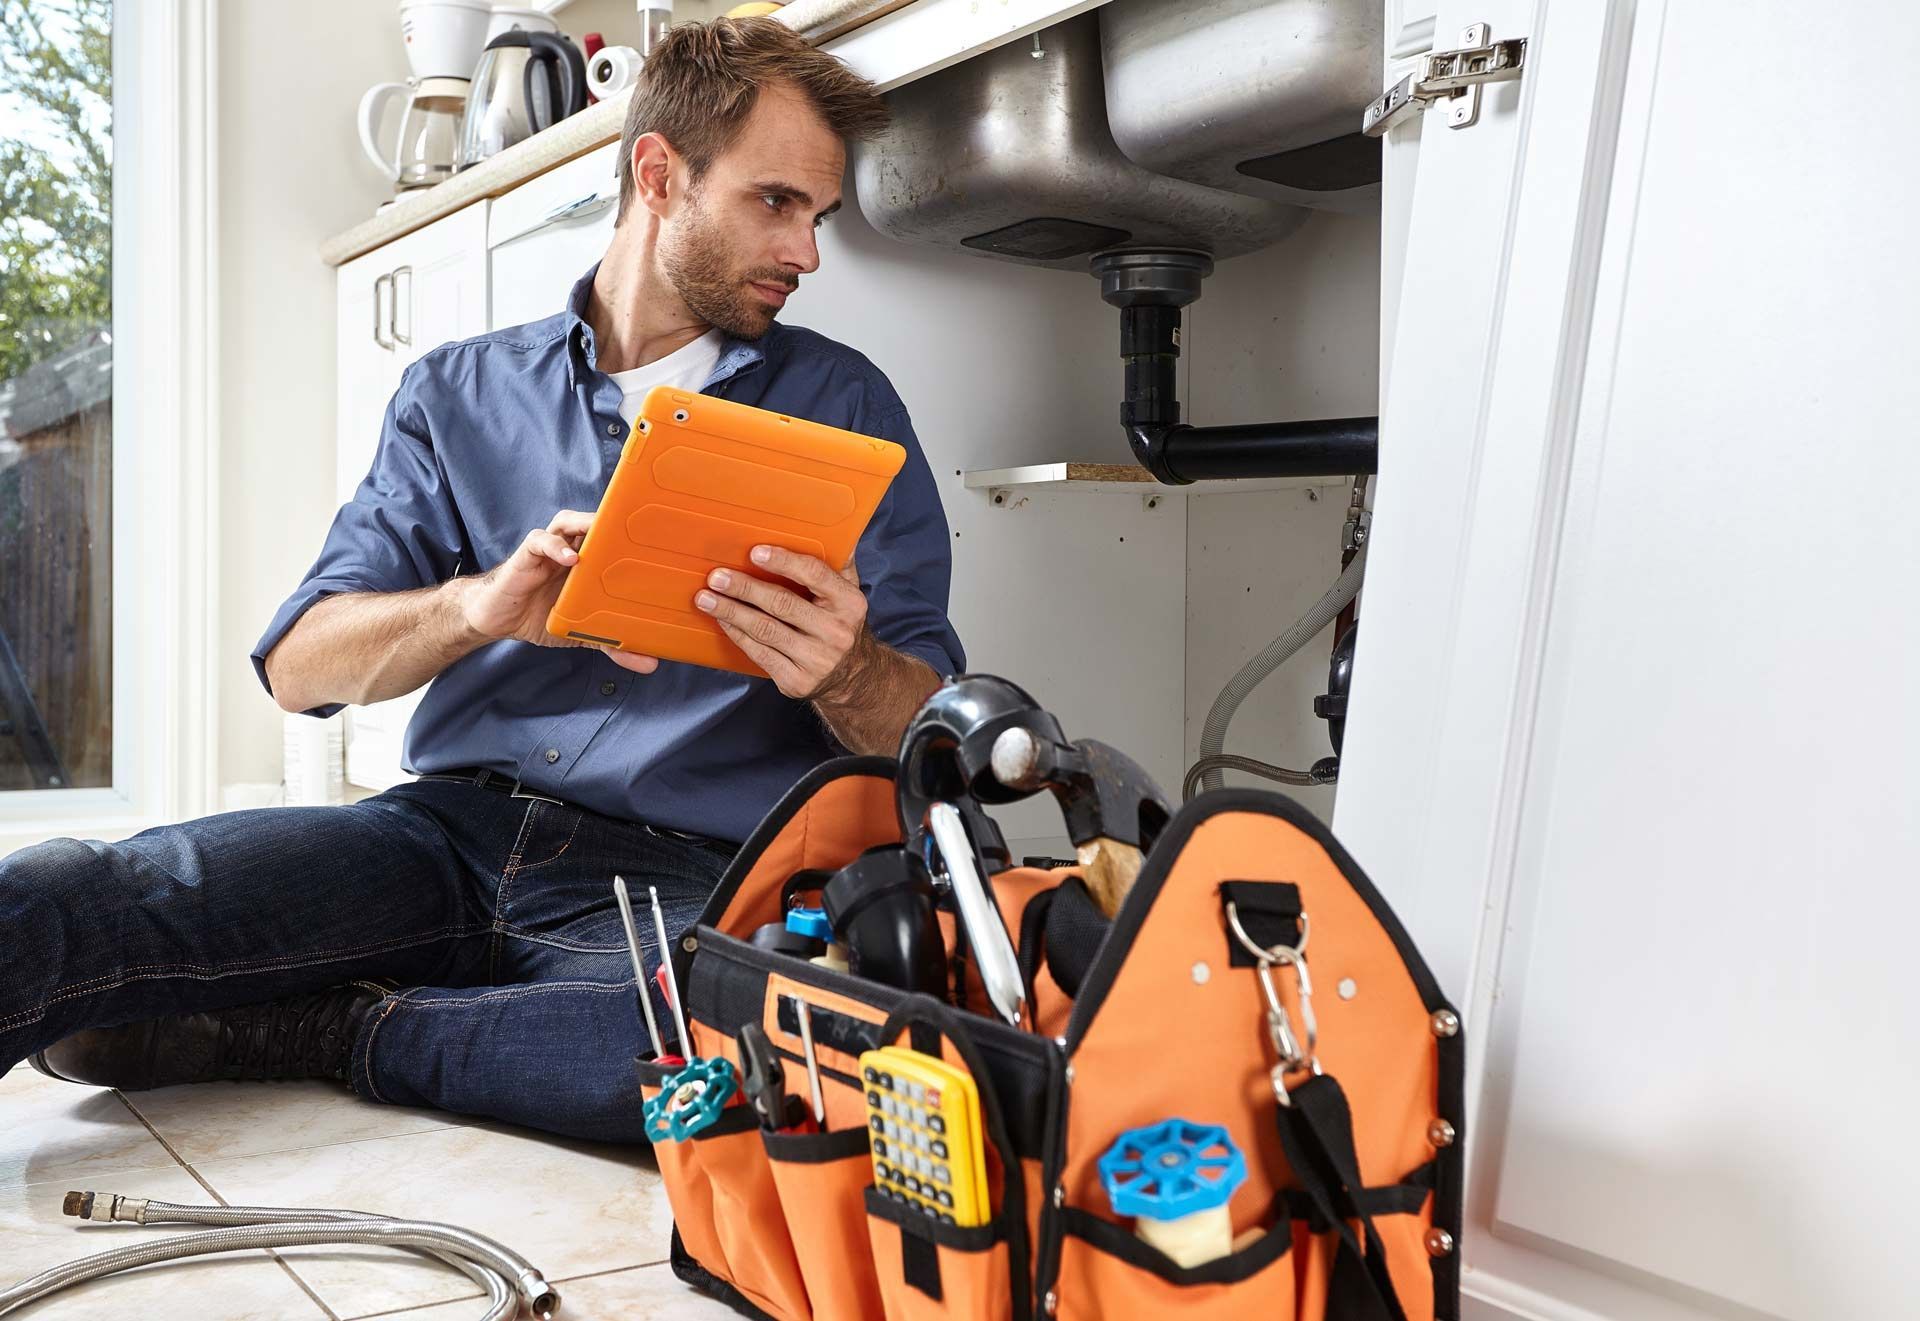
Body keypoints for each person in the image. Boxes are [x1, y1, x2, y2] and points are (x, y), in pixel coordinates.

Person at [0, 18, 962, 1142]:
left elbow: (923, 739)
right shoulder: (455, 392)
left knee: (715, 1044)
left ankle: (312, 1030)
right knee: (72, 894)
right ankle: (353, 1011)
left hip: (678, 876)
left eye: (818, 216)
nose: (805, 252)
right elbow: (299, 667)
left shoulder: (847, 408)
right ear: (659, 175)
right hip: (434, 838)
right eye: (774, 202)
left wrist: (845, 668)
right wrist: (475, 605)